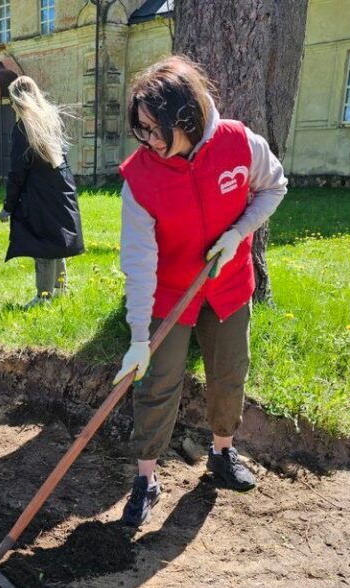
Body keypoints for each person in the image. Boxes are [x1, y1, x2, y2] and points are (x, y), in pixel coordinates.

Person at [113, 55, 287, 527]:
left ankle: (222, 452)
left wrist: (239, 233)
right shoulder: (140, 179)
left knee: (229, 373)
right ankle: (146, 479)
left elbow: (275, 187)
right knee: (157, 384)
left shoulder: (238, 142)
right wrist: (136, 336)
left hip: (228, 285)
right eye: (141, 130)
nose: (147, 141)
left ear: (185, 119)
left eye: (154, 129)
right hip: (169, 294)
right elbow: (139, 261)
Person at [0, 76, 84, 308]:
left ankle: (43, 296)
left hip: (39, 193)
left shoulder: (23, 127)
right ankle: (61, 289)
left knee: (43, 245)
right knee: (58, 241)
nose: (11, 104)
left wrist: (9, 206)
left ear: (18, 99)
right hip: (62, 187)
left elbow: (18, 171)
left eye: (12, 99)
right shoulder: (52, 119)